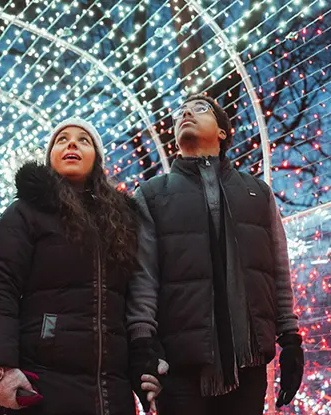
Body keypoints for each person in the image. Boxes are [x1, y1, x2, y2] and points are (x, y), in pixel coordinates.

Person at [126, 93, 304, 414]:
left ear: (222, 132)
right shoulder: (152, 194)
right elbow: (143, 276)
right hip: (179, 365)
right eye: (180, 112)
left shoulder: (257, 193)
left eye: (199, 109)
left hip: (247, 362)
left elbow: (277, 269)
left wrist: (290, 338)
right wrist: (142, 343)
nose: (185, 114)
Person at [0, 118, 166, 415]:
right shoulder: (24, 214)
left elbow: (136, 297)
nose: (71, 144)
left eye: (83, 140)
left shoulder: (122, 221)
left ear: (97, 158)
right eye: (62, 139)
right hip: (42, 379)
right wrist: (3, 369)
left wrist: (144, 361)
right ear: (50, 157)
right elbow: (0, 292)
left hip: (111, 387)